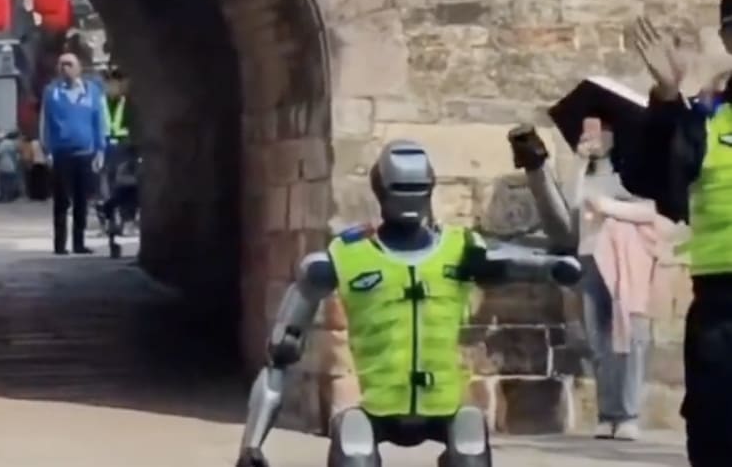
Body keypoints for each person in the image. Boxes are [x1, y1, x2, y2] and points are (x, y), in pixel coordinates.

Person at [234, 139, 582, 467]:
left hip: (445, 407)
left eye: (417, 189)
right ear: (381, 191)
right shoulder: (345, 257)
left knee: (470, 438)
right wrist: (251, 445)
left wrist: (537, 171)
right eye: (400, 189)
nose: (409, 199)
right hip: (377, 408)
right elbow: (279, 357)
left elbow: (551, 256)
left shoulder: (463, 250)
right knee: (353, 442)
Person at [509, 118, 672, 441]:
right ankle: (607, 414)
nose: (592, 135)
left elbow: (655, 210)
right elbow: (571, 207)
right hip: (590, 256)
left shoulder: (634, 172)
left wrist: (609, 207)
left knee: (628, 338)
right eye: (586, 129)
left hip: (626, 262)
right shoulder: (586, 170)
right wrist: (580, 162)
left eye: (599, 129)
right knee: (598, 341)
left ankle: (627, 415)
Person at [631, 0, 732, 466]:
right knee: (716, 440)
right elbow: (654, 181)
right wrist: (668, 99)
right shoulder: (706, 122)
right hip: (721, 308)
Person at [40, 53, 106, 255]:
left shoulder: (92, 91)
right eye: (61, 65)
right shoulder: (52, 92)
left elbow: (99, 121)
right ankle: (59, 244)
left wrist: (100, 149)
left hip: (86, 153)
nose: (64, 68)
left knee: (82, 200)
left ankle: (79, 242)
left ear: (78, 68)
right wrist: (47, 150)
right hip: (61, 154)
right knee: (61, 201)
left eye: (69, 64)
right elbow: (45, 123)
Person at [98, 66, 136, 236]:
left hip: (124, 149)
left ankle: (127, 220)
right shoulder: (100, 103)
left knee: (124, 187)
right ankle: (109, 221)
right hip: (105, 149)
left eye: (115, 83)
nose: (112, 87)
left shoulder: (129, 104)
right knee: (105, 188)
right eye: (109, 83)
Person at [0, 131, 21, 202]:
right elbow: (16, 154)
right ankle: (10, 197)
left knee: (3, 182)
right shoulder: (13, 144)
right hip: (11, 165)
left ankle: (3, 196)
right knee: (10, 182)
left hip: (2, 164)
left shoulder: (2, 143)